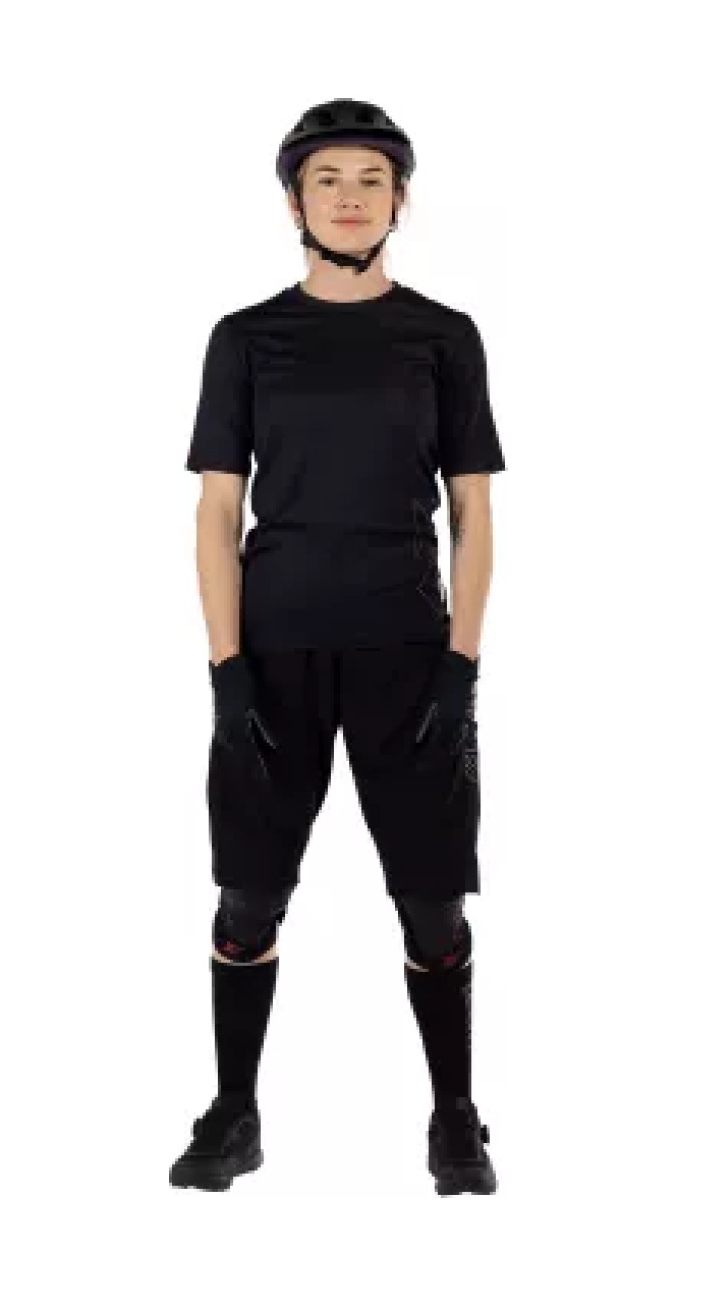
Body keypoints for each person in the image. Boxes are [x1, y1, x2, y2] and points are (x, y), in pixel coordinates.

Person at [169, 99, 505, 1195]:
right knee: (246, 899)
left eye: (370, 178)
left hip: (407, 649)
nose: (349, 196)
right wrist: (226, 672)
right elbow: (218, 512)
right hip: (274, 652)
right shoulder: (245, 339)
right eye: (327, 179)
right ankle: (234, 1112)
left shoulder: (444, 337)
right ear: (294, 202)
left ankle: (455, 1116)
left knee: (432, 902)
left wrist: (462, 669)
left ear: (399, 199)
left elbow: (473, 513)